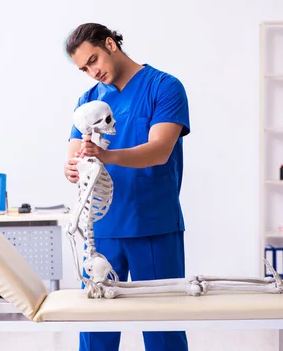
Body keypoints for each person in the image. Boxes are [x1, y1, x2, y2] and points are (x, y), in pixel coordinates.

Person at [63, 23, 191, 351]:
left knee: (164, 329)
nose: (92, 72)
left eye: (94, 60)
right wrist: (71, 167)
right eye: (84, 68)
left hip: (153, 224)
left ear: (110, 44)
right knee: (96, 333)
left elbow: (160, 149)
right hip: (101, 229)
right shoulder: (88, 99)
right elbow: (74, 155)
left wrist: (107, 155)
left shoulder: (164, 87)